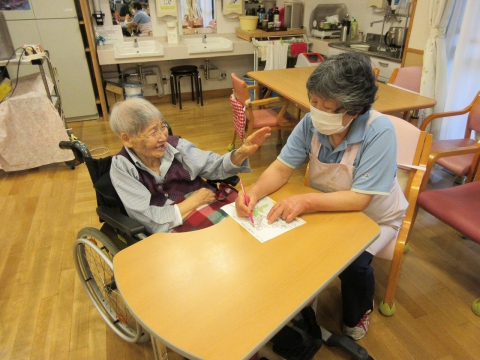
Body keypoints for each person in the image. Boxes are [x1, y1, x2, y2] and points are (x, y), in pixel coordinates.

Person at [235, 52, 408, 341]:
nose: (317, 112)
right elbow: (281, 167)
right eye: (314, 102)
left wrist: (305, 201)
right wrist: (253, 192)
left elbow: (360, 200)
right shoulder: (311, 124)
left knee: (354, 264)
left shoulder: (379, 131)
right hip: (326, 209)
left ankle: (359, 312)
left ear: (354, 110)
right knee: (295, 247)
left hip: (373, 218)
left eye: (328, 107)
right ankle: (295, 305)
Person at [109, 97, 271, 234]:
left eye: (163, 127)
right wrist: (193, 201)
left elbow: (215, 167)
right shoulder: (122, 168)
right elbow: (148, 219)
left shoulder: (177, 147)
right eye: (153, 132)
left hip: (208, 205)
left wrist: (241, 152)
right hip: (178, 226)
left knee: (249, 229)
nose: (163, 137)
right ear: (127, 139)